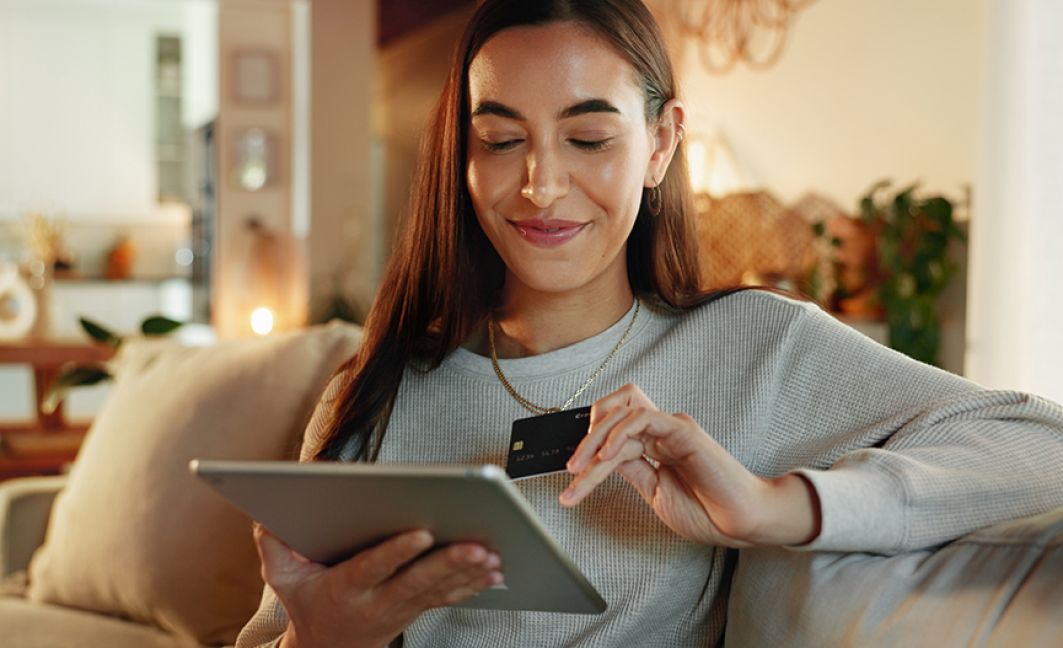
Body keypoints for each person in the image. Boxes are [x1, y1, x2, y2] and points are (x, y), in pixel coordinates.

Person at [237, 1, 1063, 646]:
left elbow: (1044, 445)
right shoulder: (375, 392)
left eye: (589, 137)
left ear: (661, 144)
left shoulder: (755, 346)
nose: (540, 185)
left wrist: (773, 507)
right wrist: (323, 640)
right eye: (499, 139)